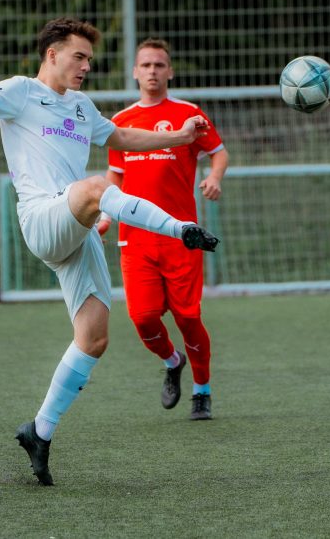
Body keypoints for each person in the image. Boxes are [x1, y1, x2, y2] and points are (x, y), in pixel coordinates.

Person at [0, 17, 220, 486]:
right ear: (52, 54)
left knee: (93, 337)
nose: (86, 66)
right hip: (42, 218)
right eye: (79, 56)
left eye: (89, 58)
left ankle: (40, 431)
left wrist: (178, 137)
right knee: (95, 187)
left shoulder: (82, 106)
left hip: (76, 228)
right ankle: (181, 229)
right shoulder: (20, 91)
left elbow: (122, 138)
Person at [97, 38, 229, 421]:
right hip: (135, 239)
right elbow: (115, 175)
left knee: (188, 318)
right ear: (135, 72)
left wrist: (214, 177)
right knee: (143, 317)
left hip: (181, 237)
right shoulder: (121, 121)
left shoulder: (189, 114)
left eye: (159, 65)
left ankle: (202, 391)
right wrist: (105, 214)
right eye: (146, 65)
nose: (152, 71)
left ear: (170, 71)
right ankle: (173, 361)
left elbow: (218, 152)